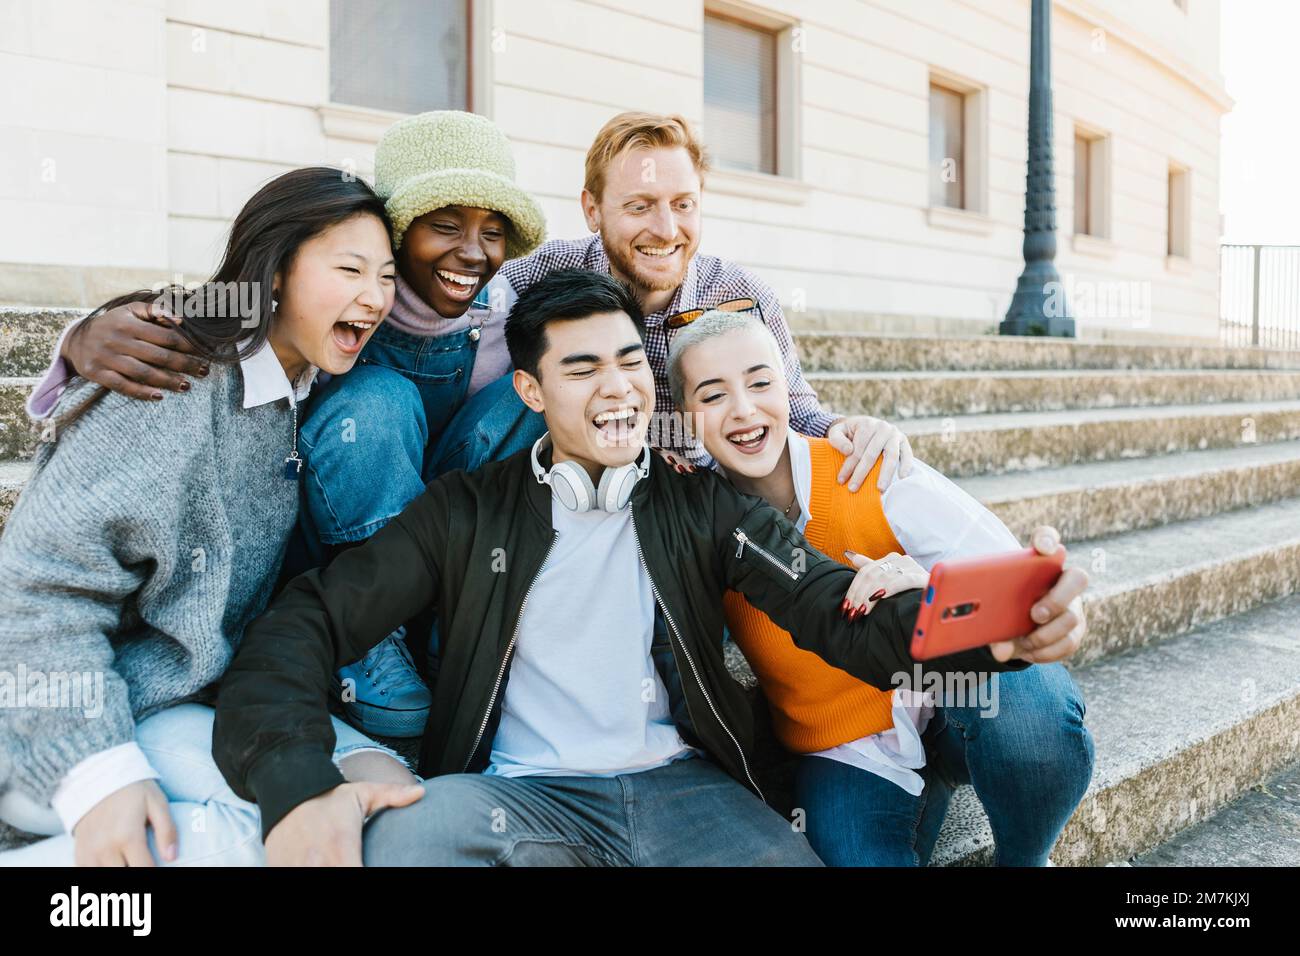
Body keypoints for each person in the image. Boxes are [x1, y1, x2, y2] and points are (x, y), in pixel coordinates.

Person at [210, 268, 1038, 867]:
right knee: (398, 846)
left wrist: (1001, 611)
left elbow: (829, 606)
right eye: (581, 368)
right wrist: (295, 777)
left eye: (629, 363)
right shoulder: (464, 512)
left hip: (684, 794)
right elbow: (307, 623)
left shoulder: (700, 504)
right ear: (531, 392)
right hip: (517, 798)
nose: (617, 390)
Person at [0, 167, 415, 867]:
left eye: (385, 276)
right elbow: (39, 586)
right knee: (278, 834)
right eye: (350, 269)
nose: (374, 298)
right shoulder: (170, 382)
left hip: (206, 699)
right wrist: (98, 772)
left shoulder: (299, 386)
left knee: (394, 794)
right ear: (276, 272)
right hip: (73, 713)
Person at [667, 309, 1094, 865]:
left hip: (949, 697)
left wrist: (932, 583)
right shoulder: (704, 525)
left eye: (760, 381)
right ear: (684, 417)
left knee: (1032, 722)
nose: (744, 409)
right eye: (713, 394)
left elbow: (1017, 580)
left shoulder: (865, 464)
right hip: (847, 748)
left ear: (787, 385)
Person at [431, 111, 913, 489]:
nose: (666, 230)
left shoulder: (741, 298)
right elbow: (450, 329)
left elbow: (798, 413)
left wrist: (856, 430)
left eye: (683, 205)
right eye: (640, 206)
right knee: (508, 399)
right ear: (592, 210)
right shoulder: (543, 272)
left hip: (690, 505)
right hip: (566, 485)